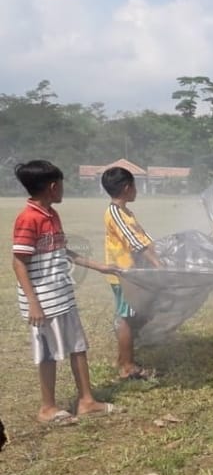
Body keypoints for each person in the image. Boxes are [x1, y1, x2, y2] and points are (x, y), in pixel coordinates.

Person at [12, 160, 122, 424]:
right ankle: (47, 408)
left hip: (62, 294)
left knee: (78, 347)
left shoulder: (51, 214)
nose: (63, 189)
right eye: (61, 185)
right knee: (48, 353)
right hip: (44, 300)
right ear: (52, 187)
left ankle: (87, 401)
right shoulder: (28, 219)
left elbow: (63, 252)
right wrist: (33, 303)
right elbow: (18, 262)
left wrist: (99, 266)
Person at [101, 167, 161, 380]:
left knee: (135, 314)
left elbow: (143, 236)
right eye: (134, 185)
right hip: (124, 274)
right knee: (126, 317)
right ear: (127, 188)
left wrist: (158, 251)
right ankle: (127, 366)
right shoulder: (115, 213)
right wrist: (157, 264)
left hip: (134, 272)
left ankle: (122, 357)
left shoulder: (126, 212)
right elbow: (133, 241)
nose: (136, 190)